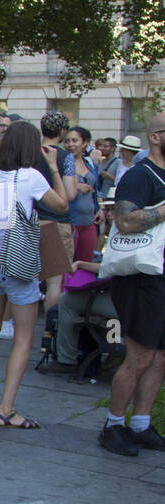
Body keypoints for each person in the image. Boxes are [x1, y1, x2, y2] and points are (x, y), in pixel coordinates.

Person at [0, 121, 69, 429]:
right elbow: (62, 205)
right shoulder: (31, 177)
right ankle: (7, 409)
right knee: (23, 336)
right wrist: (53, 167)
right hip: (18, 266)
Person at [98, 113, 165, 456]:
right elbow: (124, 220)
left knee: (159, 357)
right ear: (155, 136)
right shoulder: (140, 176)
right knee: (139, 356)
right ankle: (113, 425)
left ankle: (139, 424)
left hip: (161, 277)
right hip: (141, 278)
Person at [37, 112, 78, 316]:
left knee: (25, 279)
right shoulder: (65, 157)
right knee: (54, 281)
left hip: (30, 221)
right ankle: (48, 332)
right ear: (62, 131)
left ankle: (10, 324)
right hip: (56, 221)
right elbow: (70, 194)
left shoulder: (29, 153)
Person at [64, 125, 103, 264]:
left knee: (85, 265)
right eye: (67, 141)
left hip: (89, 222)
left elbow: (97, 188)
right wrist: (77, 186)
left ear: (85, 142)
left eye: (74, 140)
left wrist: (101, 208)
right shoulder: (62, 162)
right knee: (66, 267)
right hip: (70, 222)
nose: (70, 145)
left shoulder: (90, 162)